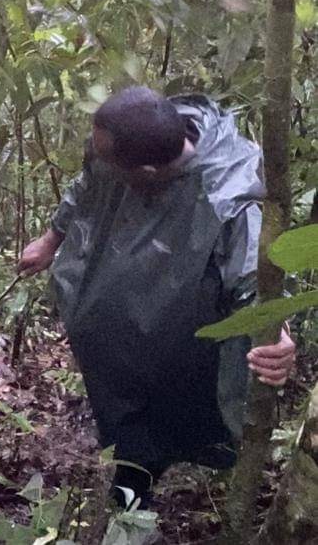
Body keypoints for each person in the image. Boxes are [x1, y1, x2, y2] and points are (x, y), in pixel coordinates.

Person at [18, 87, 296, 507]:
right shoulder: (134, 136)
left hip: (185, 335)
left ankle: (141, 490)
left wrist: (279, 336)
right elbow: (88, 182)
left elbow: (258, 276)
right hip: (118, 328)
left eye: (107, 158)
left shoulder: (228, 195)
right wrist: (50, 238)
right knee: (128, 419)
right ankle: (130, 488)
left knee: (168, 412)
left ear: (147, 172)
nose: (97, 157)